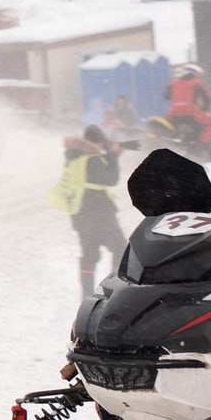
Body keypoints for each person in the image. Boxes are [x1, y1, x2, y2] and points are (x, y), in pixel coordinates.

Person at [48, 124, 128, 297]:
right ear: (97, 142)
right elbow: (110, 178)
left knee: (89, 254)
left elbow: (92, 175)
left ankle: (86, 295)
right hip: (99, 212)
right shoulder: (92, 159)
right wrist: (113, 155)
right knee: (121, 248)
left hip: (81, 214)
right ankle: (114, 291)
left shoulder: (75, 158)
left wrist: (107, 154)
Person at [164, 64, 211, 147]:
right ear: (194, 73)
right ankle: (202, 145)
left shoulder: (172, 83)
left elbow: (166, 96)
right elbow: (207, 99)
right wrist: (205, 109)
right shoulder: (197, 83)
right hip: (191, 112)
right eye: (199, 74)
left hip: (174, 113)